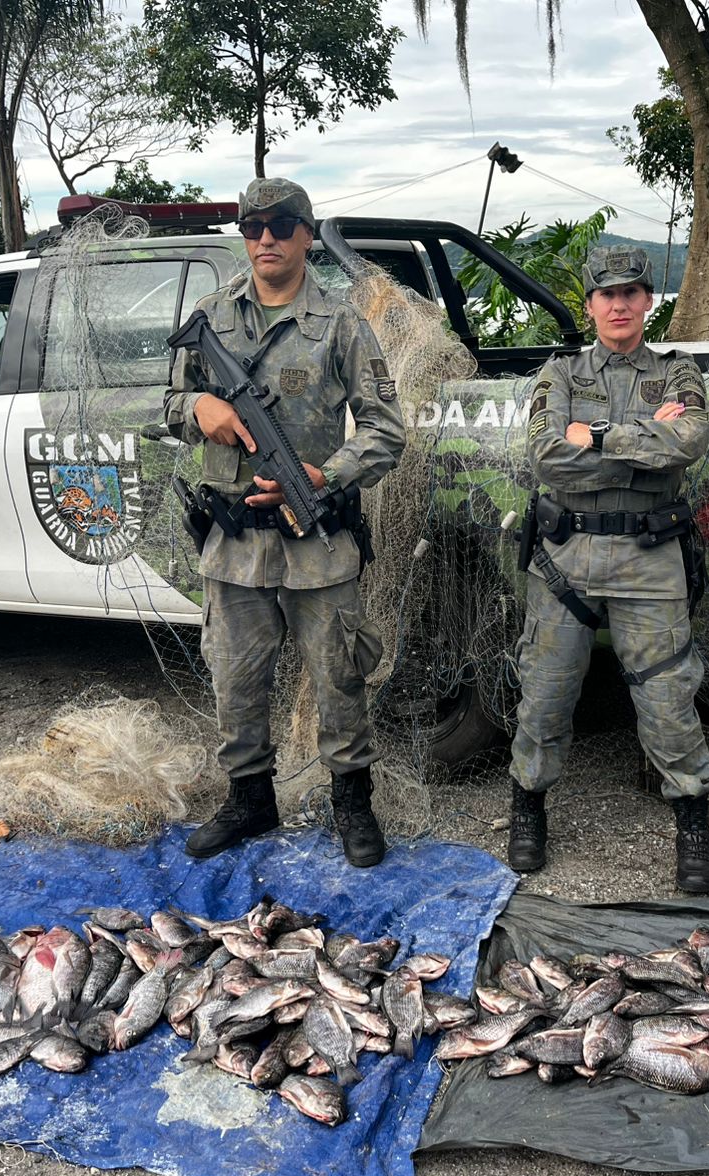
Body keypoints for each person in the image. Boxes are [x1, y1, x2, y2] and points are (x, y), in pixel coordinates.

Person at [164, 177, 406, 867]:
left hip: (314, 536)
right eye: (251, 225)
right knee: (235, 677)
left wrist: (328, 474)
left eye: (279, 224)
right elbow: (171, 402)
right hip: (234, 540)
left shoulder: (341, 323)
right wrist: (198, 412)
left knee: (338, 675)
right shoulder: (212, 316)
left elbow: (387, 431)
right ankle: (249, 799)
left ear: (306, 234)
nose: (264, 237)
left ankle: (351, 801)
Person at [507, 244, 709, 892]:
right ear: (590, 303)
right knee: (544, 694)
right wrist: (639, 440)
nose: (619, 303)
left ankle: (692, 822)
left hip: (650, 561)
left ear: (648, 300)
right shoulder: (560, 373)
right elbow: (546, 457)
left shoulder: (678, 374)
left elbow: (691, 440)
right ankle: (528, 809)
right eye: (607, 293)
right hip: (566, 558)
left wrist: (595, 436)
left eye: (631, 291)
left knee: (667, 700)